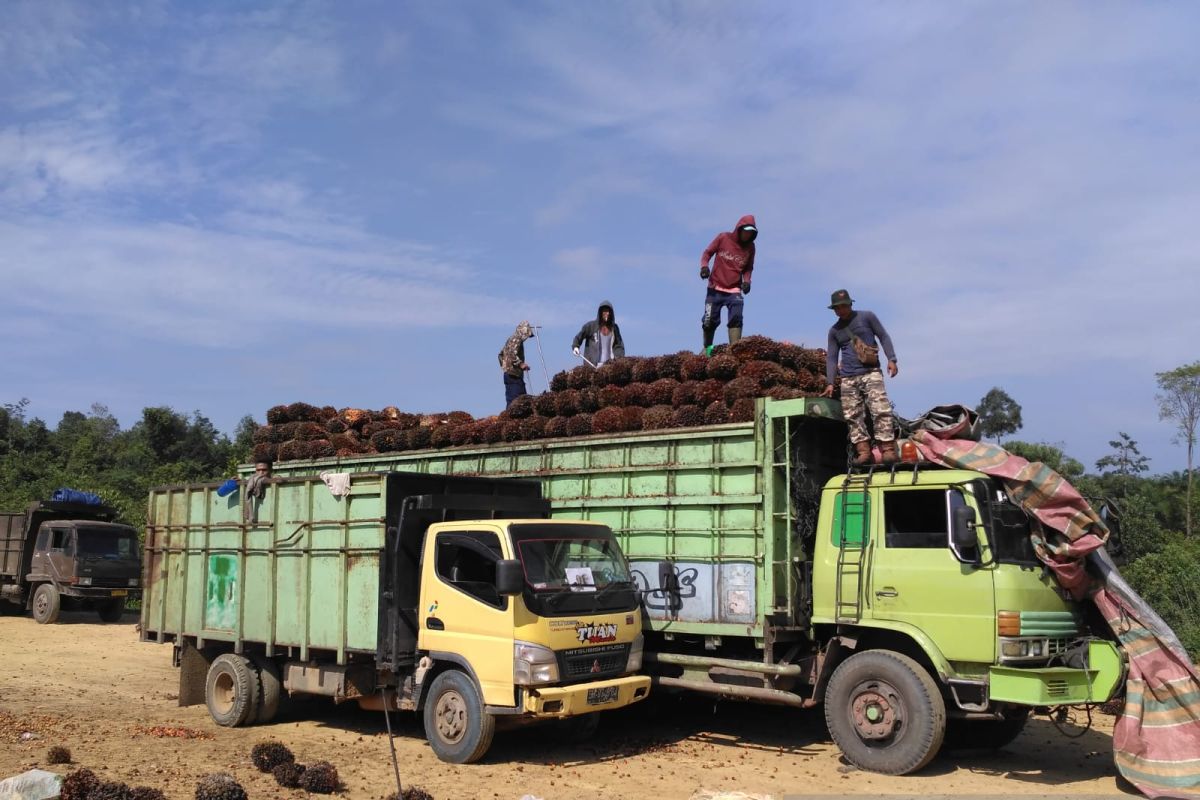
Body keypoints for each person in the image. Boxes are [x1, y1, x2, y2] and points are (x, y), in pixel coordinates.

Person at [820, 289, 900, 465]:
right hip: (848, 377)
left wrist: (891, 359)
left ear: (850, 304)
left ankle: (887, 449)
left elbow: (883, 337)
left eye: (843, 306)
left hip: (871, 372)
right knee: (853, 416)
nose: (840, 310)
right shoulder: (834, 331)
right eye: (836, 308)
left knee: (880, 410)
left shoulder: (867, 317)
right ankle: (864, 452)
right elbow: (832, 357)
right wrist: (830, 382)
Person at [699, 215, 757, 352]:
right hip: (715, 288)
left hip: (734, 290)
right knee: (708, 322)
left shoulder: (751, 247)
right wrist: (704, 267)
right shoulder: (723, 238)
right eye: (745, 231)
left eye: (751, 232)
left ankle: (735, 351)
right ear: (739, 229)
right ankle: (707, 349)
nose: (747, 234)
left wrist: (747, 282)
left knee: (736, 318)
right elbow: (707, 253)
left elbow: (748, 268)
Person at [571, 300, 625, 366]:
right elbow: (578, 337)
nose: (607, 313)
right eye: (605, 311)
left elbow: (619, 345)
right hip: (593, 366)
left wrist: (619, 359)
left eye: (609, 311)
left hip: (610, 367)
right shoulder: (591, 326)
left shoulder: (615, 328)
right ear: (600, 312)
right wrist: (576, 347)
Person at [498, 320, 534, 407]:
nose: (526, 338)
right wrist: (521, 364)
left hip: (513, 375)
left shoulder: (512, 339)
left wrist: (505, 367)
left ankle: (511, 419)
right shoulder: (516, 338)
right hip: (513, 375)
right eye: (527, 334)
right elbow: (511, 354)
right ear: (524, 331)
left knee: (520, 400)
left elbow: (501, 355)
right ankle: (509, 419)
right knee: (516, 402)